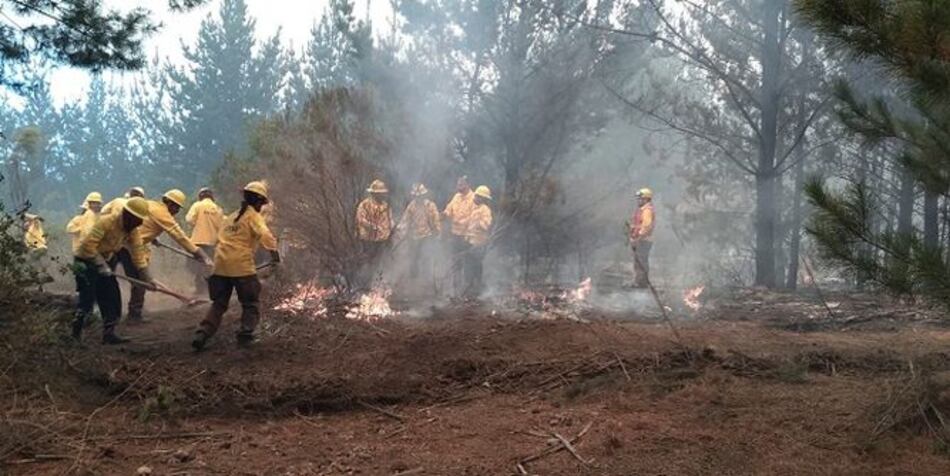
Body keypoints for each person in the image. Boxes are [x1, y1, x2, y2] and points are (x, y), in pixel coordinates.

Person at [192, 181, 279, 351]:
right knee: (250, 303)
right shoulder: (253, 216)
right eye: (262, 203)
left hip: (220, 265)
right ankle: (245, 336)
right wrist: (275, 255)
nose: (262, 206)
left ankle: (203, 332)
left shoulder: (230, 217)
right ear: (259, 202)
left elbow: (220, 238)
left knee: (219, 303)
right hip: (241, 266)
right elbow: (265, 235)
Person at [73, 197, 155, 344]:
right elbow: (88, 247)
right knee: (87, 298)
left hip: (106, 260)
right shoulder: (106, 222)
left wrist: (148, 279)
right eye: (137, 220)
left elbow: (139, 257)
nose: (139, 224)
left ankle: (109, 334)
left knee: (112, 297)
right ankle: (75, 336)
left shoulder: (133, 230)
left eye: (140, 221)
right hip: (86, 261)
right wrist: (101, 265)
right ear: (127, 215)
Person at [125, 189, 212, 324]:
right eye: (176, 207)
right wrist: (198, 253)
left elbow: (144, 225)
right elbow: (179, 235)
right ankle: (134, 315)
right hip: (131, 246)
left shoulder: (152, 205)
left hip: (129, 243)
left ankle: (135, 311)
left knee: (140, 279)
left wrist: (152, 238)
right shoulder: (162, 213)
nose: (176, 211)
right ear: (170, 204)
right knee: (141, 279)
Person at [395, 183, 442, 282]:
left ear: (424, 195)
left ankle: (426, 278)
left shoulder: (430, 206)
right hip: (414, 236)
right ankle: (414, 280)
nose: (418, 198)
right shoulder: (411, 206)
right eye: (416, 196)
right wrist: (399, 231)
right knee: (413, 257)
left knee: (426, 257)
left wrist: (438, 233)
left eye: (420, 196)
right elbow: (405, 220)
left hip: (427, 235)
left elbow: (436, 220)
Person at [186, 187, 224, 295]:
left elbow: (189, 219)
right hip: (212, 243)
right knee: (208, 266)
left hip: (197, 242)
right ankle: (208, 288)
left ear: (200, 196)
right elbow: (221, 225)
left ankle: (200, 289)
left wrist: (198, 223)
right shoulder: (218, 209)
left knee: (197, 266)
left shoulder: (197, 205)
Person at [355, 179, 393, 287]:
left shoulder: (386, 206)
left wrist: (393, 231)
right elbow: (360, 219)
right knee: (368, 261)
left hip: (383, 239)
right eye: (380, 193)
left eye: (383, 193)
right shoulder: (365, 205)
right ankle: (366, 283)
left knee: (381, 261)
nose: (382, 195)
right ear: (374, 193)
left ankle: (378, 283)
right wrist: (371, 227)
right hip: (368, 239)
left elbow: (389, 220)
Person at [442, 176, 475, 296]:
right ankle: (456, 287)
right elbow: (449, 209)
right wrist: (444, 214)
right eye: (458, 184)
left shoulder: (473, 198)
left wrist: (463, 224)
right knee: (455, 261)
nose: (458, 187)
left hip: (467, 236)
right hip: (455, 234)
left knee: (467, 262)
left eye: (461, 185)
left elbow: (473, 217)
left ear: (468, 185)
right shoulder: (456, 197)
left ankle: (467, 289)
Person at [463, 186, 493, 297]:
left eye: (477, 196)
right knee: (468, 265)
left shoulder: (485, 210)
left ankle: (476, 287)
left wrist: (479, 222)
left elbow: (487, 225)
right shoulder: (474, 208)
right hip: (470, 241)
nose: (474, 197)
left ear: (482, 198)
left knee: (476, 265)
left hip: (479, 243)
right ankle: (469, 286)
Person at [628, 187, 655, 288]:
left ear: (646, 199)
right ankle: (639, 281)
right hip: (640, 239)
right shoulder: (642, 210)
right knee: (638, 261)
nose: (638, 200)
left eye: (640, 198)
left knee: (641, 261)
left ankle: (641, 283)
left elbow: (646, 226)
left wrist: (638, 237)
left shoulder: (647, 210)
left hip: (644, 240)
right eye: (638, 198)